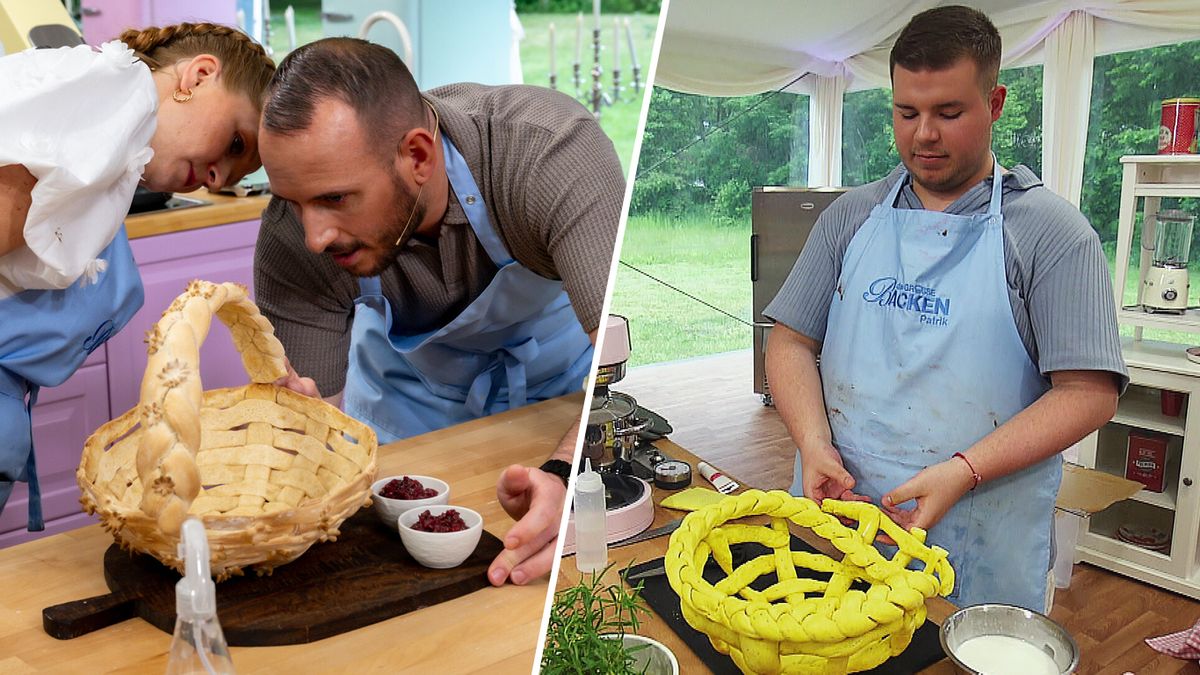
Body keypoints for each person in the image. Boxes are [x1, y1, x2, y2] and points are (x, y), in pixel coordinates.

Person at [764, 5, 1126, 611]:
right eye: (907, 112)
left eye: (948, 113)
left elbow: (1089, 392)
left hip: (979, 535)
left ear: (996, 103)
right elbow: (791, 341)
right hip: (841, 520)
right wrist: (812, 444)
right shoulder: (849, 218)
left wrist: (963, 470)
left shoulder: (1051, 235)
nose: (923, 134)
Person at [253, 38, 623, 586]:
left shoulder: (550, 154)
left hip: (559, 407)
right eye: (291, 201)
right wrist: (302, 440)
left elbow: (612, 363)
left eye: (335, 199)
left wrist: (567, 472)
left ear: (418, 157)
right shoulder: (292, 242)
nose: (313, 237)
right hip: (408, 424)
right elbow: (316, 444)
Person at [0, 23, 276, 531]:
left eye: (235, 175)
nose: (218, 177)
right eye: (235, 141)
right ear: (198, 75)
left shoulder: (116, 130)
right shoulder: (114, 101)